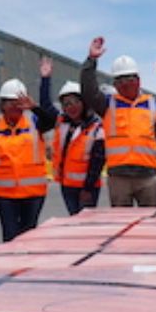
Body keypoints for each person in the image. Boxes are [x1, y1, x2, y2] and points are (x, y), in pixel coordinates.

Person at [81, 39, 156, 206]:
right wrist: (91, 60)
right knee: (122, 222)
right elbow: (88, 91)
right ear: (114, 84)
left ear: (138, 80)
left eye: (129, 79)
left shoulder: (154, 104)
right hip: (119, 178)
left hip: (148, 176)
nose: (125, 84)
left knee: (150, 222)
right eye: (119, 81)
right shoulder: (108, 104)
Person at [0, 65, 58, 241]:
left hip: (33, 194)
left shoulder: (35, 122)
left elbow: (53, 121)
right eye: (10, 103)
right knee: (11, 237)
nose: (15, 107)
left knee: (29, 237)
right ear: (2, 105)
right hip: (5, 196)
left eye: (19, 103)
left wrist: (35, 107)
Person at [48, 78, 105, 215]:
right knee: (73, 220)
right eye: (67, 104)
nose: (72, 107)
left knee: (86, 225)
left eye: (76, 102)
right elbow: (46, 106)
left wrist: (87, 188)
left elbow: (97, 161)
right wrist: (46, 80)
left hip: (87, 187)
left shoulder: (96, 127)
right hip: (67, 186)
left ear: (84, 103)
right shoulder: (62, 124)